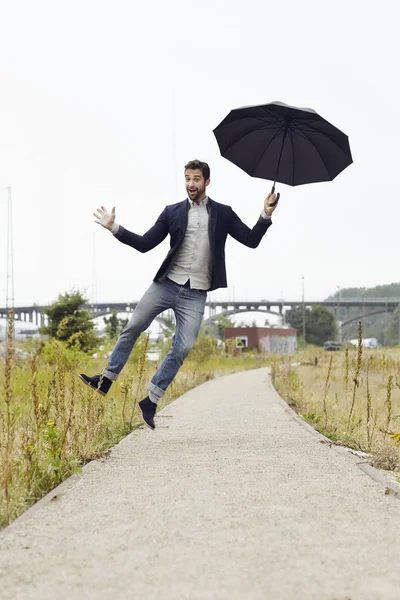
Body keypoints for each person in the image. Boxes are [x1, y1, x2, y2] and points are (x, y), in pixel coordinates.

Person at [79, 159, 278, 429]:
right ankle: (105, 380)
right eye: (187, 178)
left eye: (196, 179)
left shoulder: (224, 213)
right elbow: (145, 244)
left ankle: (150, 400)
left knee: (182, 346)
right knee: (134, 325)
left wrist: (265, 215)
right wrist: (115, 228)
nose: (190, 184)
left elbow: (251, 240)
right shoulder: (171, 212)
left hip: (195, 293)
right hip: (166, 284)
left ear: (207, 181)